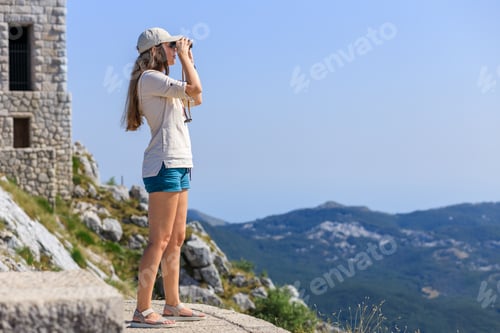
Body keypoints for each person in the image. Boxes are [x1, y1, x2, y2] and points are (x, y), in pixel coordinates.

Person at [122, 27, 205, 328]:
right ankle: (142, 309)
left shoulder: (164, 83)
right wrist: (184, 59)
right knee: (159, 240)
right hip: (164, 164)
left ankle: (172, 304)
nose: (174, 49)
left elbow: (198, 97)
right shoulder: (150, 79)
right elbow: (194, 90)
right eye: (171, 46)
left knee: (177, 239)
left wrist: (187, 60)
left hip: (181, 163)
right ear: (157, 49)